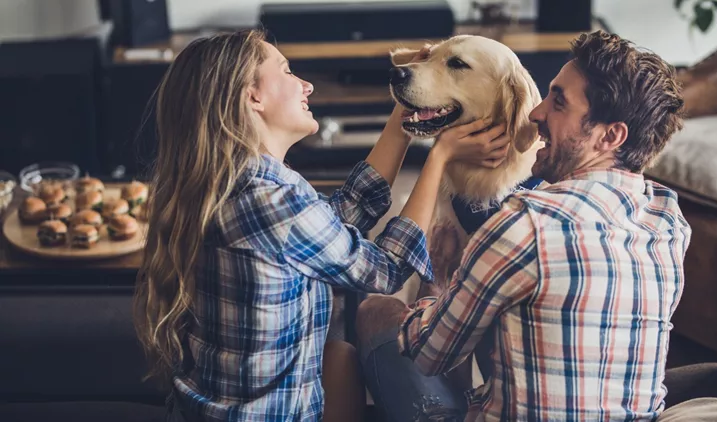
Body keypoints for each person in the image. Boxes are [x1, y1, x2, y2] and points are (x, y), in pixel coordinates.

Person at [132, 29, 508, 422]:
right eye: (287, 71)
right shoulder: (269, 203)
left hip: (208, 406)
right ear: (252, 95)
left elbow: (345, 212)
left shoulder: (249, 182)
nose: (306, 85)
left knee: (339, 356)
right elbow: (385, 270)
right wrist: (440, 156)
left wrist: (408, 115)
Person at [356, 30, 692, 421]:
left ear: (610, 136)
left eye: (559, 103)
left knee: (375, 310)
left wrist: (437, 283)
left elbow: (431, 353)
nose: (535, 112)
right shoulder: (669, 221)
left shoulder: (525, 223)